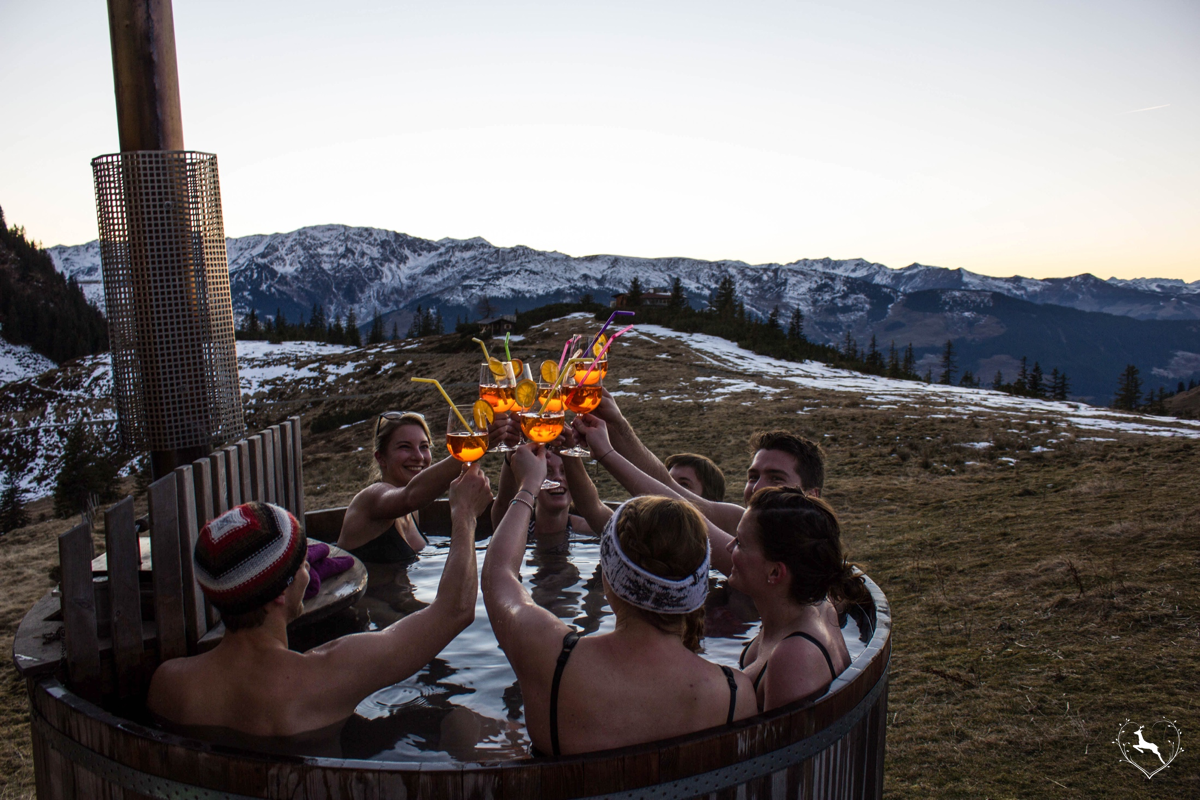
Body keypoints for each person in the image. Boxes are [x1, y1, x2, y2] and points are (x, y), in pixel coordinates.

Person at [147, 472, 491, 737]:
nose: (309, 568)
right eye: (301, 561)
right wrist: (464, 517)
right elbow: (453, 612)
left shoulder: (169, 683)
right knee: (465, 725)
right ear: (280, 593)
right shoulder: (324, 677)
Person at [482, 443, 757, 756]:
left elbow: (498, 574)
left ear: (609, 583)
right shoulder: (735, 693)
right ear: (699, 586)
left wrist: (528, 486)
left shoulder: (551, 657)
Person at [588, 389, 824, 533]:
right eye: (753, 477)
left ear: (812, 496)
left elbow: (676, 502)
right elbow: (669, 487)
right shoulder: (739, 522)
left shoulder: (808, 561)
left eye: (776, 478)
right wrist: (616, 424)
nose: (757, 487)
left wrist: (607, 453)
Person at [730, 487, 869, 710]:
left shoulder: (794, 659)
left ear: (775, 572)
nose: (729, 547)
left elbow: (782, 744)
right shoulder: (809, 605)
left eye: (739, 543)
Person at [337, 411, 460, 563]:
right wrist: (477, 447)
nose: (419, 457)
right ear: (381, 458)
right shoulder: (372, 499)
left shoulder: (412, 510)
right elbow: (410, 497)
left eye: (424, 446)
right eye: (405, 447)